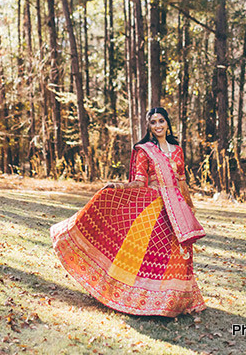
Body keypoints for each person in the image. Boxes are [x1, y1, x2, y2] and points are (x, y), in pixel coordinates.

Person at [50, 107, 206, 316]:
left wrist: (189, 206)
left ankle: (175, 301)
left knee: (179, 253)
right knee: (150, 252)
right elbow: (139, 182)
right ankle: (146, 300)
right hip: (155, 206)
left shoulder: (177, 149)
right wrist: (119, 186)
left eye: (161, 121)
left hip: (177, 208)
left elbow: (182, 180)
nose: (158, 125)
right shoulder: (144, 150)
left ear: (168, 123)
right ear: (149, 127)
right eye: (153, 122)